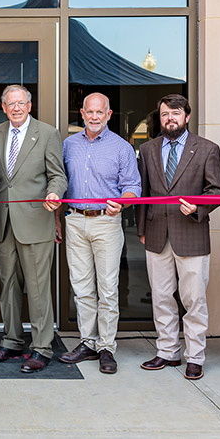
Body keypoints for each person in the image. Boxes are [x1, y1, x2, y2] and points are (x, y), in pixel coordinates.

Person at [136, 94, 220, 380]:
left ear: (187, 117)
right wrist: (141, 230)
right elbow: (144, 193)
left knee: (193, 299)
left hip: (191, 232)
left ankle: (195, 356)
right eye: (164, 114)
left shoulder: (207, 149)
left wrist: (199, 206)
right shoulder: (148, 149)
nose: (169, 118)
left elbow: (217, 191)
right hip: (156, 233)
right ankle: (167, 351)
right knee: (162, 297)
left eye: (175, 113)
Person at [0, 85, 67, 373]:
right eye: (10, 104)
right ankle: (11, 340)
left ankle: (41, 347)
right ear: (3, 108)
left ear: (29, 105)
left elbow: (57, 175)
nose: (16, 108)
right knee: (8, 287)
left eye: (21, 103)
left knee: (38, 289)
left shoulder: (47, 133)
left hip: (35, 222)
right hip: (3, 223)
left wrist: (54, 195)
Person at [55, 92, 141, 374]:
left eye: (99, 112)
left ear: (108, 114)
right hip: (75, 221)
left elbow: (132, 186)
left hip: (106, 221)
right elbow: (60, 185)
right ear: (82, 113)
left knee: (107, 288)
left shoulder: (121, 148)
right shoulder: (68, 145)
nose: (94, 117)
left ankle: (107, 347)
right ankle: (88, 343)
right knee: (82, 288)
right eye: (89, 112)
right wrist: (58, 219)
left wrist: (123, 201)